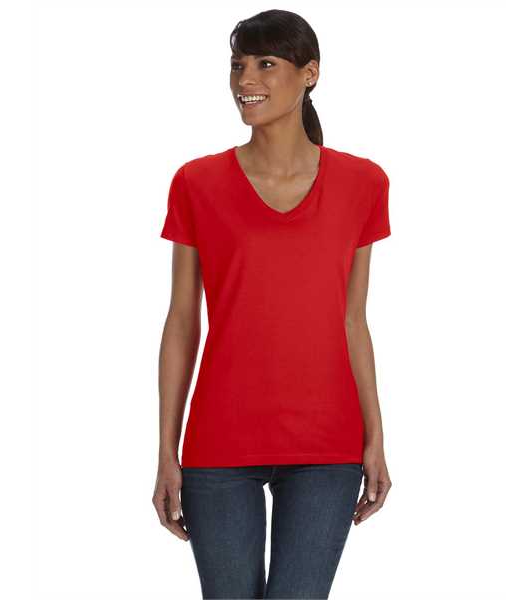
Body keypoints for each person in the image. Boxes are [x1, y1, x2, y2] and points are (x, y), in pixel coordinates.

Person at [153, 9, 393, 599]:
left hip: (327, 445)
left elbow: (353, 321)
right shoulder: (196, 182)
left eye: (265, 64)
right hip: (219, 443)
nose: (245, 80)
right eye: (238, 65)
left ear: (310, 74)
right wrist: (166, 449)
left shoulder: (363, 183)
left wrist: (376, 438)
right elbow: (182, 321)